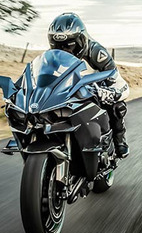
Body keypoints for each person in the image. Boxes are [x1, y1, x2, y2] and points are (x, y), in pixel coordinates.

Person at [47, 12, 130, 158]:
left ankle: (119, 140)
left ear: (81, 40)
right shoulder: (51, 57)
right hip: (68, 94)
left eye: (69, 45)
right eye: (58, 45)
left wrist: (112, 93)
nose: (64, 50)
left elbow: (118, 81)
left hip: (96, 92)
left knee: (117, 106)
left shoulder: (96, 53)